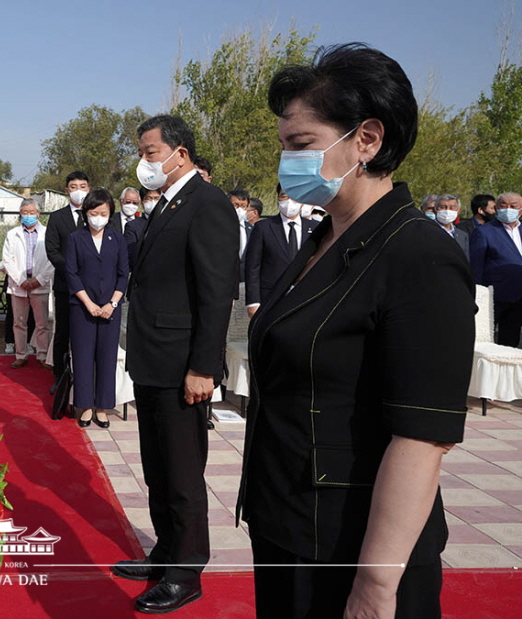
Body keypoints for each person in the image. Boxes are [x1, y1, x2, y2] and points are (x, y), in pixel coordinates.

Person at [239, 43, 473, 618]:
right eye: (283, 147)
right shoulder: (324, 239)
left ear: (366, 140)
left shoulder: (418, 254)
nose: (287, 162)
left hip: (354, 548)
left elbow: (423, 435)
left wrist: (374, 584)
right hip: (288, 528)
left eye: (302, 145)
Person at [113, 115, 239, 614]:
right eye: (142, 152)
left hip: (183, 361)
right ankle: (166, 550)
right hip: (152, 358)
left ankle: (187, 569)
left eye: (150, 151)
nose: (145, 162)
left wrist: (203, 366)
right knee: (157, 464)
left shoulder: (208, 204)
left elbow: (215, 293)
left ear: (179, 153)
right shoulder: (166, 202)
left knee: (184, 470)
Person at [64, 188, 129, 429]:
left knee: (106, 358)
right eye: (93, 212)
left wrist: (112, 303)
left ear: (110, 213)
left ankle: (102, 407)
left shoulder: (117, 238)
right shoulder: (75, 238)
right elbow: (71, 273)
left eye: (103, 213)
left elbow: (124, 274)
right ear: (86, 213)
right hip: (82, 308)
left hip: (111, 308)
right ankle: (85, 406)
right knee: (82, 358)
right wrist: (89, 303)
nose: (98, 217)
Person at [244, 184, 319, 317]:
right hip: (271, 297)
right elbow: (252, 267)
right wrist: (253, 301)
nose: (289, 202)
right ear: (278, 199)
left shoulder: (315, 228)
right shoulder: (264, 227)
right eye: (284, 196)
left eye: (294, 197)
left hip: (305, 297)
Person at [45, 171, 90, 389]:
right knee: (63, 330)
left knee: (87, 331)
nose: (78, 191)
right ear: (66, 190)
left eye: (82, 186)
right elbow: (52, 251)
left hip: (92, 287)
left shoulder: (96, 215)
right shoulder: (57, 217)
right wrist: (71, 271)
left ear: (89, 189)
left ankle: (85, 375)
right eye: (74, 187)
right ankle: (60, 375)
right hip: (65, 285)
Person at [1, 198, 54, 369]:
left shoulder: (48, 233)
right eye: (25, 213)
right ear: (20, 214)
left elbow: (51, 260)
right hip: (19, 285)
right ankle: (21, 354)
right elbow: (7, 260)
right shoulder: (12, 234)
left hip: (40, 284)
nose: (29, 216)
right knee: (19, 322)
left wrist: (38, 280)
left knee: (42, 323)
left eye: (32, 212)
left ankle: (42, 354)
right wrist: (21, 280)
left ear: (38, 214)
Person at [470, 192, 522, 347]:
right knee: (485, 339)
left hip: (519, 297)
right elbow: (476, 266)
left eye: (513, 206)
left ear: (520, 210)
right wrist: (478, 293)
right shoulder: (485, 231)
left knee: (511, 342)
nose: (508, 209)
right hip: (496, 296)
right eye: (503, 205)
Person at [126, 187, 158, 268]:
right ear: (142, 202)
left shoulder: (168, 222)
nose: (153, 201)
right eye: (149, 198)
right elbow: (132, 255)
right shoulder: (132, 226)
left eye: (156, 198)